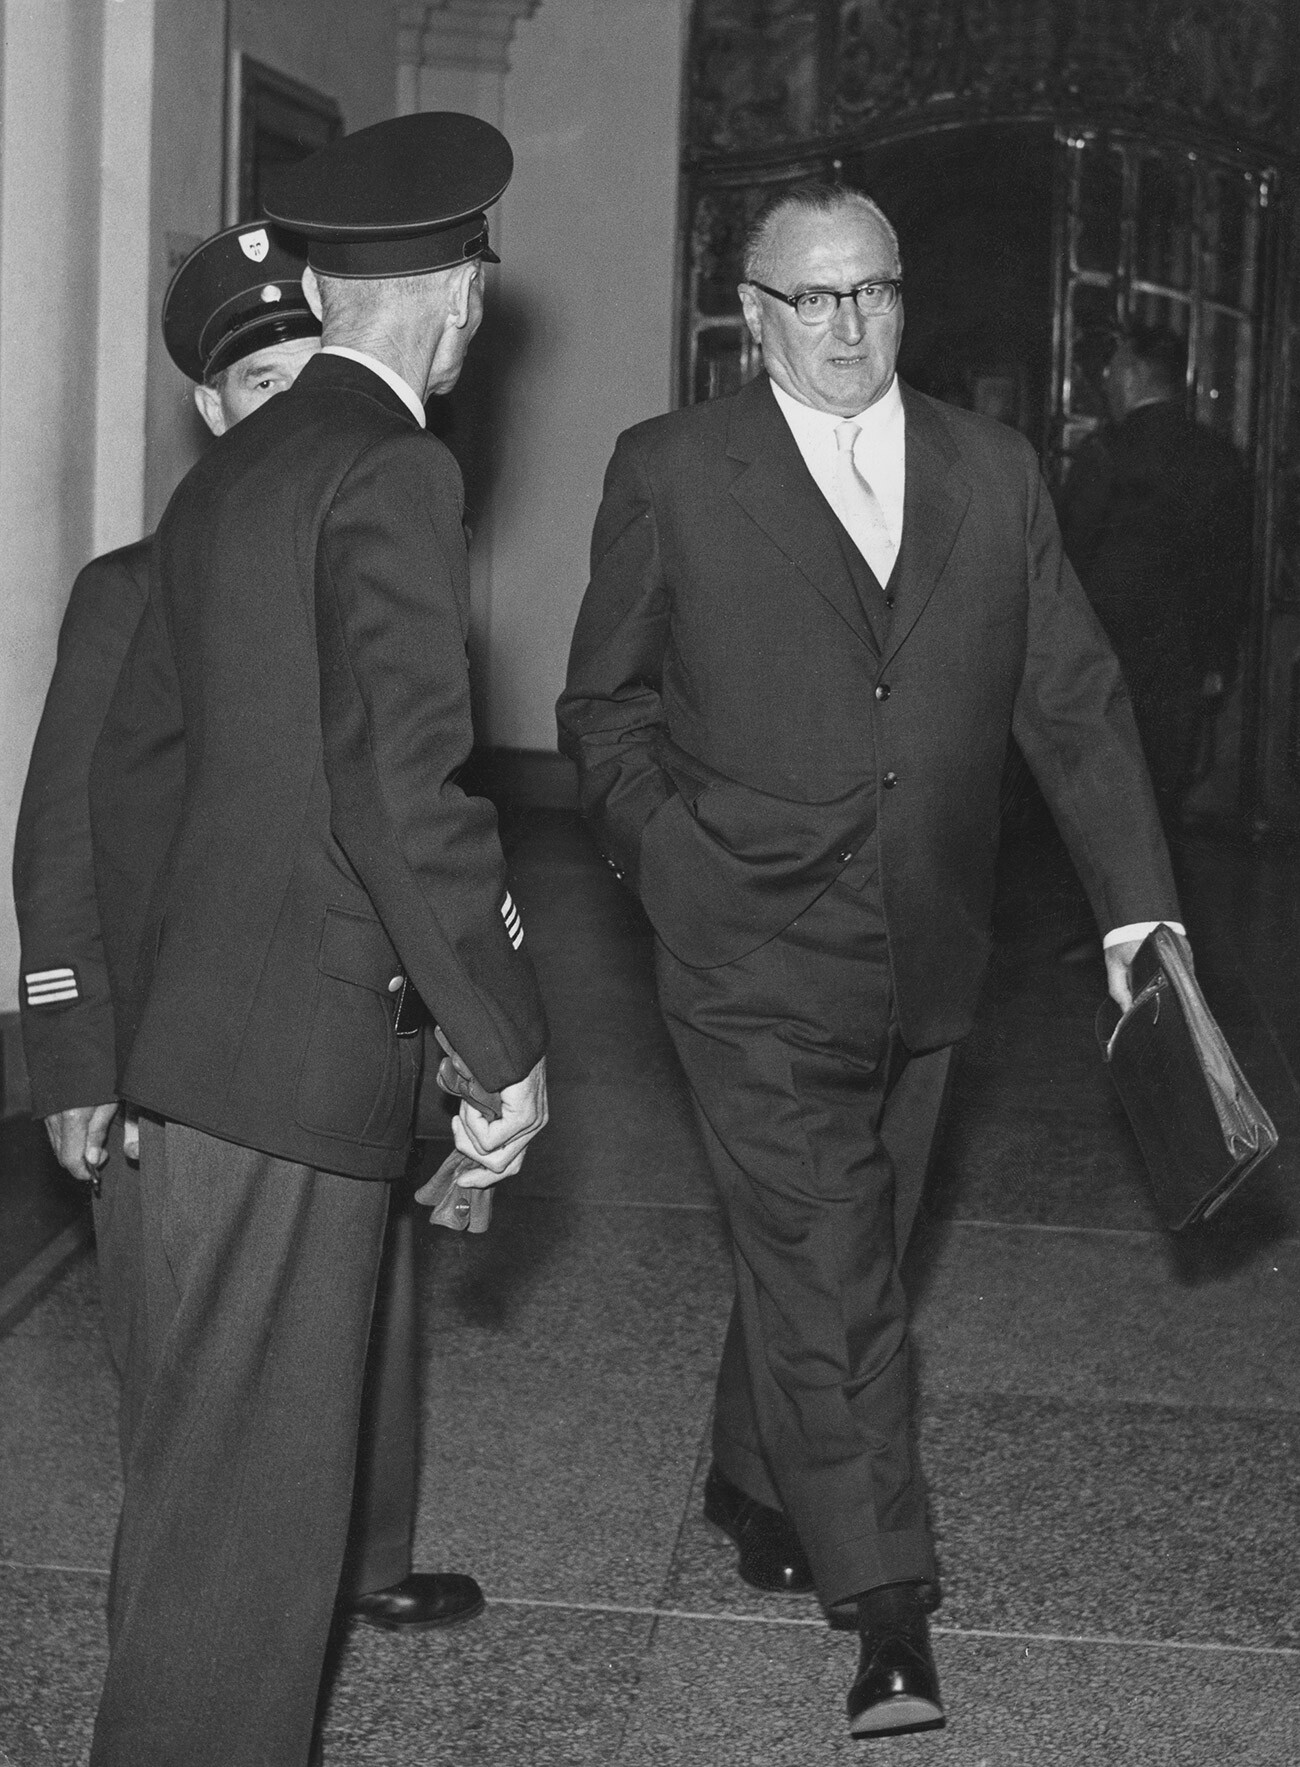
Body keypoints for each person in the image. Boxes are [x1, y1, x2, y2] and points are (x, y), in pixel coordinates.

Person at [557, 181, 1186, 1738]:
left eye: (873, 293)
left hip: (933, 945)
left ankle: (749, 1468)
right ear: (752, 316)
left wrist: (1138, 910)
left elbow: (1076, 696)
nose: (847, 327)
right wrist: (673, 864)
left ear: (904, 299)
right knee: (839, 1267)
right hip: (745, 948)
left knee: (844, 1243)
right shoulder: (675, 471)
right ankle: (888, 1599)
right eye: (812, 299)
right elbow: (602, 706)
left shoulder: (993, 470)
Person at [83, 113, 548, 1767]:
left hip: (196, 1065)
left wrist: (124, 1046)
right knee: (255, 1557)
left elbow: (131, 790)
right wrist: (505, 1041)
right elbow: (406, 792)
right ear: (466, 293)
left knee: (196, 1519)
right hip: (293, 1079)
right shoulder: (393, 469)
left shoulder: (235, 477)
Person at [13, 219, 484, 1645]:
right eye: (269, 390)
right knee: (218, 1375)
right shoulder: (133, 587)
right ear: (212, 411)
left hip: (346, 1010)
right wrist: (75, 1050)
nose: (303, 414)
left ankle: (364, 1552)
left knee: (367, 1303)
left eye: (315, 373)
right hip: (198, 1041)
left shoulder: (362, 534)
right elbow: (65, 841)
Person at [1059, 323, 1251, 820]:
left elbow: (1069, 554)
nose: (1108, 378)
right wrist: (1217, 661)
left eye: (1116, 366)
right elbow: (1228, 576)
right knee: (1161, 805)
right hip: (1180, 660)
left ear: (1135, 373)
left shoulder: (1105, 454)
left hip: (1103, 653)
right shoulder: (1218, 459)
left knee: (1100, 807)